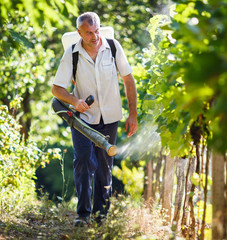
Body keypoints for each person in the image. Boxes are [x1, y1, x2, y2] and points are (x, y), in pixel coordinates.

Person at [52, 12, 138, 227]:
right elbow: (56, 89)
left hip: (110, 118)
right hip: (83, 120)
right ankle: (83, 215)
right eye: (89, 33)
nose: (94, 36)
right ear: (79, 33)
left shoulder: (113, 47)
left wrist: (133, 114)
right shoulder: (72, 54)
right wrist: (74, 100)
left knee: (104, 167)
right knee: (83, 161)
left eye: (97, 30)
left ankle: (101, 217)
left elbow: (128, 80)